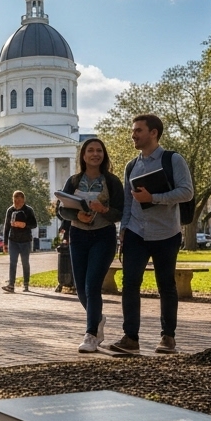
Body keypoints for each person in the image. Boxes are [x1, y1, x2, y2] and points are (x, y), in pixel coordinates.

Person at [108, 114, 194, 355]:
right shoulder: (131, 166)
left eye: (138, 130)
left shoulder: (173, 159)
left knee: (166, 285)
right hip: (136, 232)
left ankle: (168, 338)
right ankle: (130, 338)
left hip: (166, 233)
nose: (133, 135)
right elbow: (127, 201)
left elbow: (186, 192)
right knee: (130, 284)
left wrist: (153, 198)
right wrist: (123, 229)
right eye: (133, 131)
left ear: (153, 133)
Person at [58, 138, 124, 352]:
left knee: (92, 285)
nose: (95, 154)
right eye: (90, 150)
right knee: (81, 289)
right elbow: (63, 209)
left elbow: (120, 211)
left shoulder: (112, 182)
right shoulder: (74, 181)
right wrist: (77, 214)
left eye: (99, 151)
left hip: (103, 237)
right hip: (78, 235)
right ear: (83, 155)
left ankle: (90, 335)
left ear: (104, 155)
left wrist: (103, 210)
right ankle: (97, 319)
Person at [1, 191, 38, 292]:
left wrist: (24, 225)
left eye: (19, 202)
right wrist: (4, 243)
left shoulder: (28, 210)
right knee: (13, 262)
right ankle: (11, 285)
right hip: (13, 240)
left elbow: (34, 224)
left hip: (25, 241)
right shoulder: (10, 210)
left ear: (23, 200)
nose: (17, 204)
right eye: (15, 201)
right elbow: (6, 227)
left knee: (25, 262)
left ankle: (26, 284)